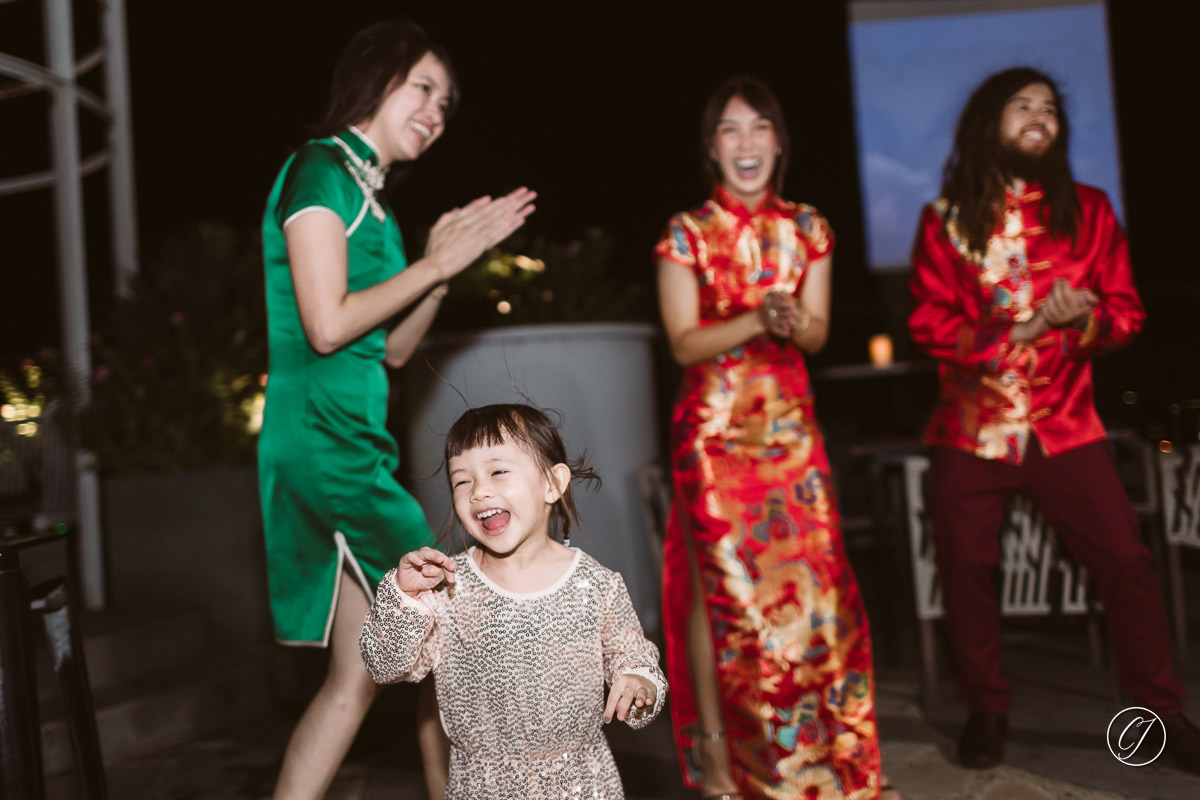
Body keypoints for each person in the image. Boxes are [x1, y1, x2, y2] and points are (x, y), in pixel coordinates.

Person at [257, 20, 536, 799]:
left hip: (346, 441)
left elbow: (393, 350)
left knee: (357, 676)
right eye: (423, 88)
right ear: (375, 79)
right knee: (456, 623)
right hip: (327, 444)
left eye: (446, 103)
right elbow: (326, 323)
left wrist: (441, 274)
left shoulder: (372, 206)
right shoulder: (321, 171)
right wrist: (436, 262)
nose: (436, 113)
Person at [908, 66, 1200, 773]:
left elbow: (1127, 312)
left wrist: (1082, 323)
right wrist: (1018, 328)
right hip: (972, 428)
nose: (1039, 115)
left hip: (1065, 422)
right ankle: (987, 706)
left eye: (1050, 108)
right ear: (989, 123)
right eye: (1022, 105)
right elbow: (926, 320)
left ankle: (1159, 711)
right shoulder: (944, 218)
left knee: (1126, 561)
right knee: (965, 564)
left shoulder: (1091, 211)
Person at [655, 75, 890, 800]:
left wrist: (789, 320)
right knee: (719, 596)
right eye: (730, 130)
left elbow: (816, 335)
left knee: (822, 595)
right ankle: (721, 764)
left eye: (760, 128)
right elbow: (685, 345)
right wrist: (759, 318)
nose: (747, 143)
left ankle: (833, 759)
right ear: (712, 149)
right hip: (715, 439)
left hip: (792, 437)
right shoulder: (684, 234)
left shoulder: (810, 229)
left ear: (779, 143)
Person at [358, 403, 666, 798]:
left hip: (583, 785)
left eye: (498, 471)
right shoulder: (451, 587)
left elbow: (635, 656)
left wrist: (640, 684)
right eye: (461, 482)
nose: (479, 491)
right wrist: (404, 597)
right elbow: (385, 666)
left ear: (552, 484)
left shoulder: (595, 585)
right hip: (480, 786)